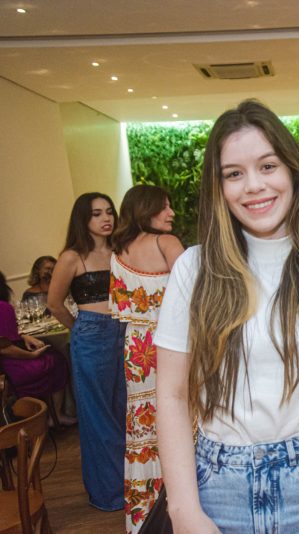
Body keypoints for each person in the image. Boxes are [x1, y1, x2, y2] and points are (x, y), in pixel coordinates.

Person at [154, 99, 299, 533]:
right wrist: (183, 511)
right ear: (218, 188)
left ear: (293, 171)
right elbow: (171, 394)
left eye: (268, 166)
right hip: (216, 487)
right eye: (234, 174)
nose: (253, 186)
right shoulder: (194, 268)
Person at [110, 184, 184, 533]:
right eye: (164, 207)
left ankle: (145, 515)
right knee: (183, 416)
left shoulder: (118, 251)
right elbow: (194, 295)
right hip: (171, 341)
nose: (171, 213)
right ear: (146, 209)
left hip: (136, 347)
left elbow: (120, 309)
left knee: (143, 425)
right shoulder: (166, 243)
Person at [48, 192, 126, 511]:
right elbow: (54, 304)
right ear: (83, 218)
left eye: (109, 211)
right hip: (92, 334)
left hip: (124, 332)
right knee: (97, 416)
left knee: (124, 410)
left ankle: (133, 485)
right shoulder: (72, 257)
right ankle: (108, 494)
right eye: (96, 213)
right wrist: (82, 327)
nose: (106, 218)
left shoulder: (122, 251)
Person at [0, 270, 74, 424]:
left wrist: (23, 337)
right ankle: (56, 415)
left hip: (6, 367)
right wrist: (31, 356)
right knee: (58, 359)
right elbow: (5, 348)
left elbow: (5, 339)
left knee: (51, 354)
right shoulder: (3, 308)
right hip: (11, 369)